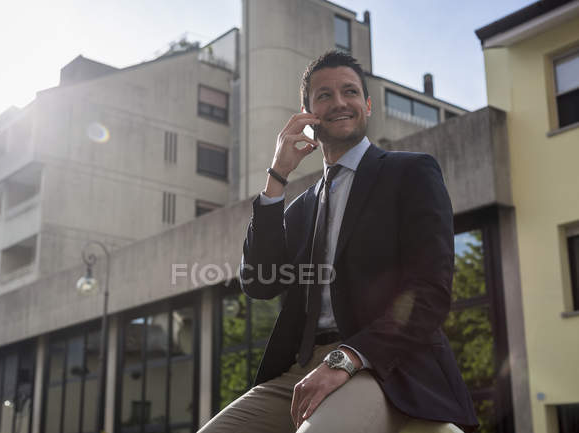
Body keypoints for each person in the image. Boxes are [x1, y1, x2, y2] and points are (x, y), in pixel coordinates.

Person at [199, 51, 479, 433]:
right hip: (300, 370)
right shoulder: (301, 207)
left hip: (383, 364)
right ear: (308, 113)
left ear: (367, 104)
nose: (339, 102)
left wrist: (349, 356)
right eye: (324, 95)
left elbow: (430, 290)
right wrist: (277, 177)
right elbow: (259, 283)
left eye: (349, 91)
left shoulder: (410, 172)